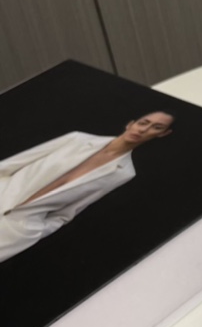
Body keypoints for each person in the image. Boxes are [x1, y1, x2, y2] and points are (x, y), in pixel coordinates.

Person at [0, 111, 174, 264]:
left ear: (163, 134)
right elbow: (11, 164)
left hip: (16, 230)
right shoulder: (77, 139)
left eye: (156, 127)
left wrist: (34, 230)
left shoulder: (124, 173)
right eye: (143, 123)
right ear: (131, 124)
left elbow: (68, 212)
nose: (144, 129)